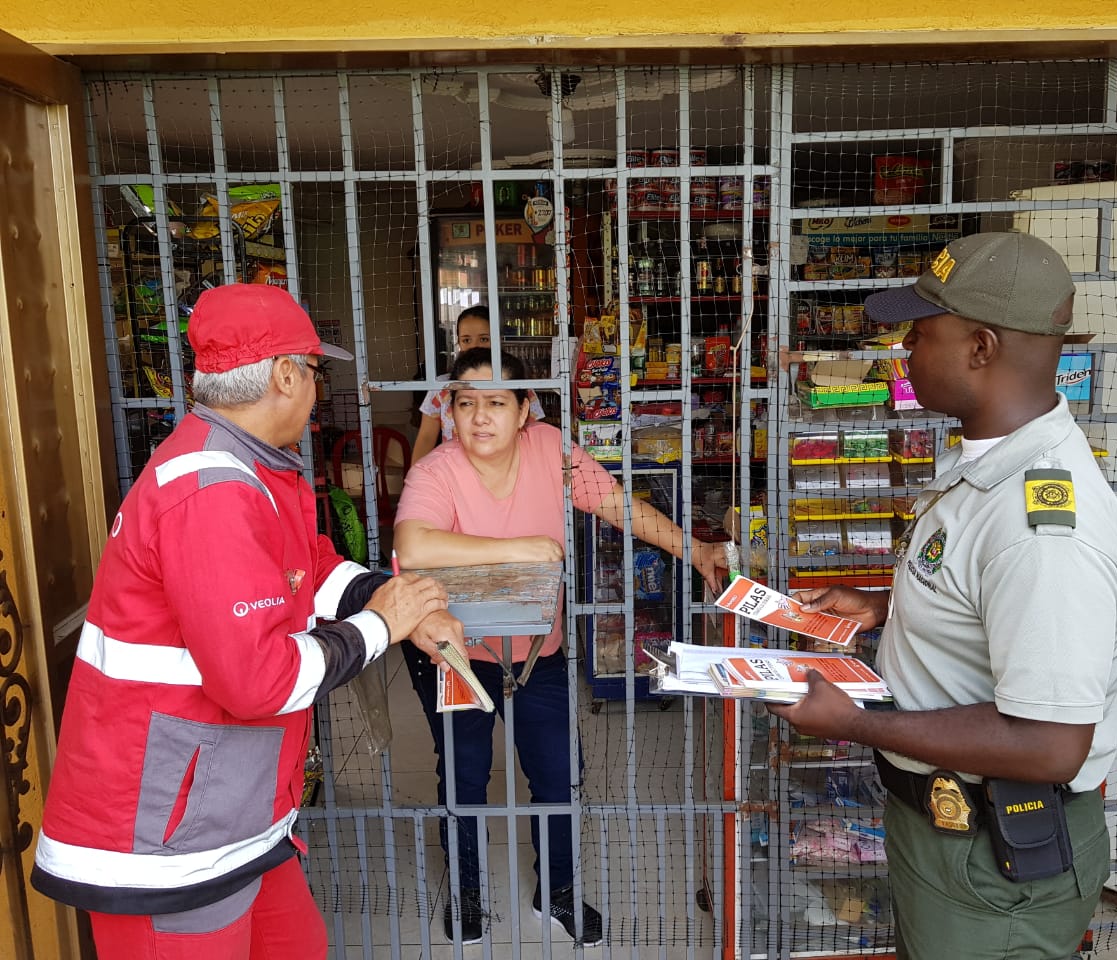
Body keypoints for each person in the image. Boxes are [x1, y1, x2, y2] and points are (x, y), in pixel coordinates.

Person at [31, 283, 465, 960]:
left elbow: (312, 570)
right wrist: (381, 626)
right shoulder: (212, 491)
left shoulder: (256, 468)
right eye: (316, 373)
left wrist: (402, 608)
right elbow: (257, 681)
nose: (319, 394)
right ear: (285, 375)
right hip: (166, 849)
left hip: (235, 814)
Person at [768, 232, 1117, 960]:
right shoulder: (987, 465)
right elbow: (980, 592)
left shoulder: (1045, 527)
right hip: (951, 841)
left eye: (920, 332)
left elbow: (1049, 742)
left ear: (981, 347)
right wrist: (885, 602)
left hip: (995, 864)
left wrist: (852, 721)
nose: (905, 351)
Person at [394, 347, 726, 946]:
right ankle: (467, 891)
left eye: (496, 403)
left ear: (526, 410)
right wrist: (521, 546)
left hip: (537, 652)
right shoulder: (435, 470)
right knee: (464, 775)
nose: (480, 418)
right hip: (454, 653)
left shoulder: (552, 450)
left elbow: (619, 506)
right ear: (450, 409)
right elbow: (413, 546)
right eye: (466, 403)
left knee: (558, 774)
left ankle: (559, 891)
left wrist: (695, 550)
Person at [410, 304, 545, 464]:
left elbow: (536, 436)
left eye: (484, 339)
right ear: (458, 342)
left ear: (498, 340)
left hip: (505, 476)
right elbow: (426, 438)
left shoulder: (517, 384)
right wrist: (415, 480)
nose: (475, 346)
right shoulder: (443, 387)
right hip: (455, 476)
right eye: (466, 340)